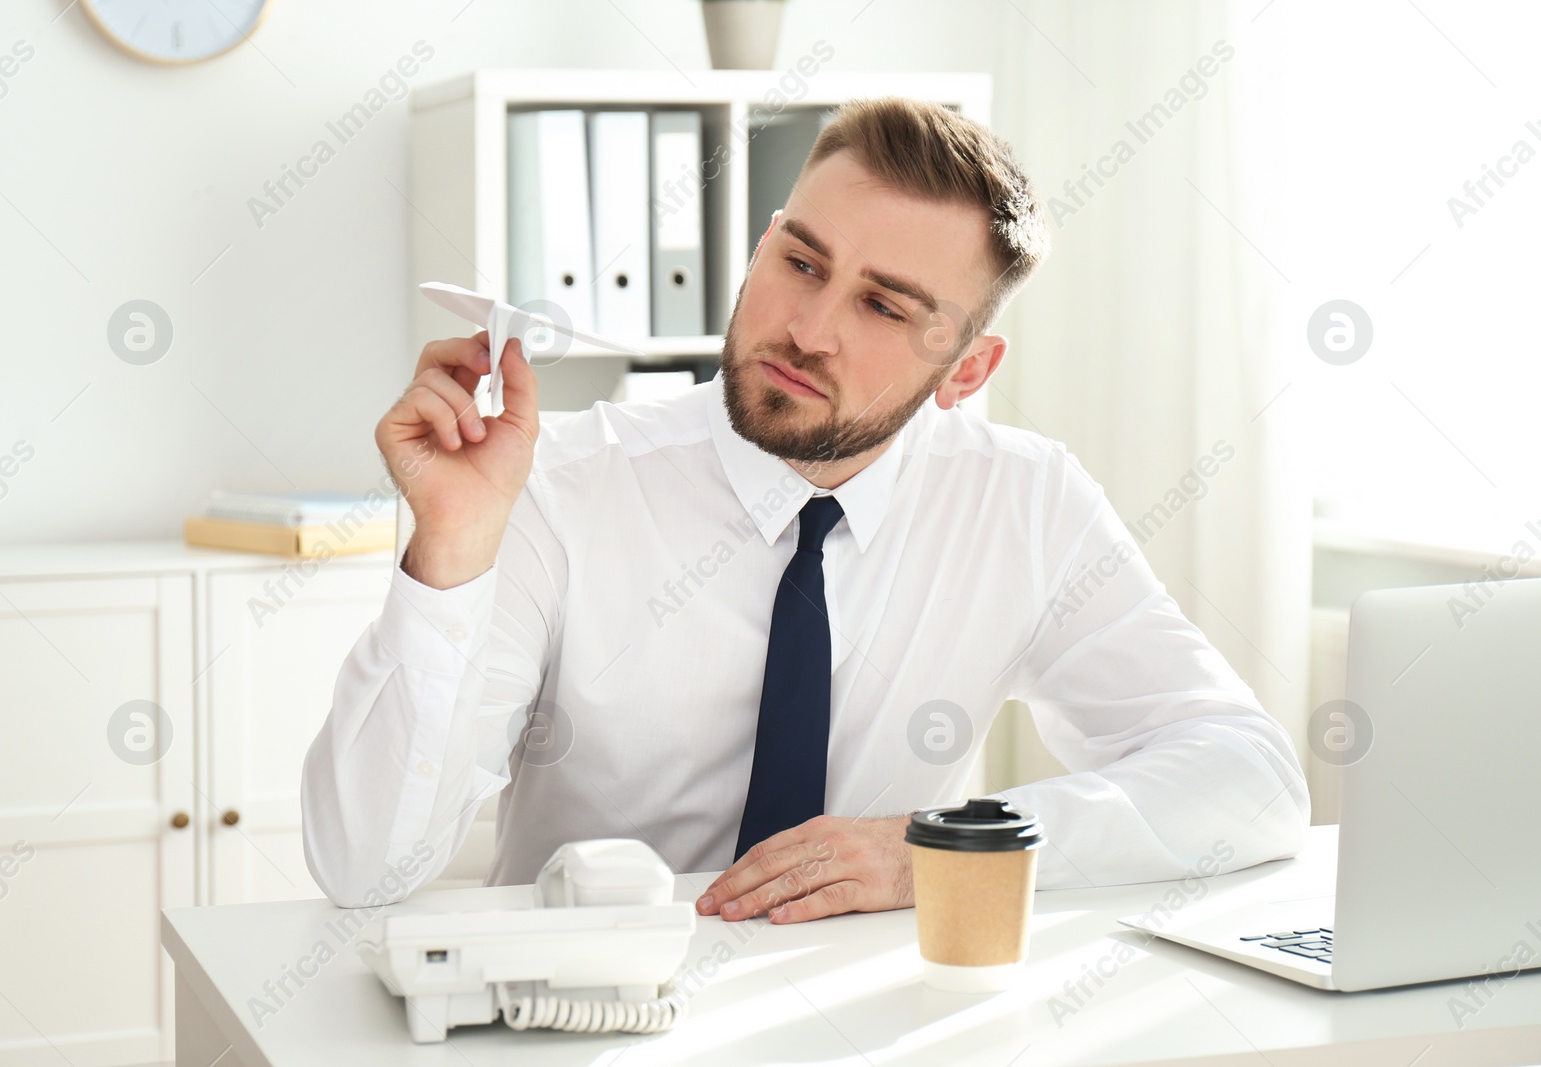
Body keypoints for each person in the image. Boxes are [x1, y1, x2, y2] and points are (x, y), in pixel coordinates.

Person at [301, 96, 1310, 923]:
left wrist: (937, 851)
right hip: (587, 1017)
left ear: (964, 370)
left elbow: (1250, 780)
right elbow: (363, 867)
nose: (807, 327)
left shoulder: (1024, 501)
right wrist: (452, 551)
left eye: (882, 304)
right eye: (801, 261)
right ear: (761, 245)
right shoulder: (557, 484)